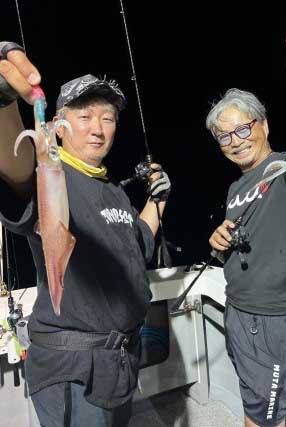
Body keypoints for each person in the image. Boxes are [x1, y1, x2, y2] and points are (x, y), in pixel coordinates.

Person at [0, 42, 171, 426]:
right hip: (74, 370)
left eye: (108, 118)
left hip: (120, 362)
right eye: (84, 115)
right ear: (58, 125)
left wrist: (158, 200)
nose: (97, 128)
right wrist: (4, 100)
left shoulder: (111, 189)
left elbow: (139, 242)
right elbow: (16, 169)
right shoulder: (49, 175)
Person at [206, 23, 286, 427]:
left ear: (264, 124)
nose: (236, 141)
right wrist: (219, 241)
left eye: (244, 128)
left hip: (275, 319)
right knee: (252, 405)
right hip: (238, 310)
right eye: (225, 137)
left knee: (268, 418)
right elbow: (243, 238)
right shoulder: (235, 186)